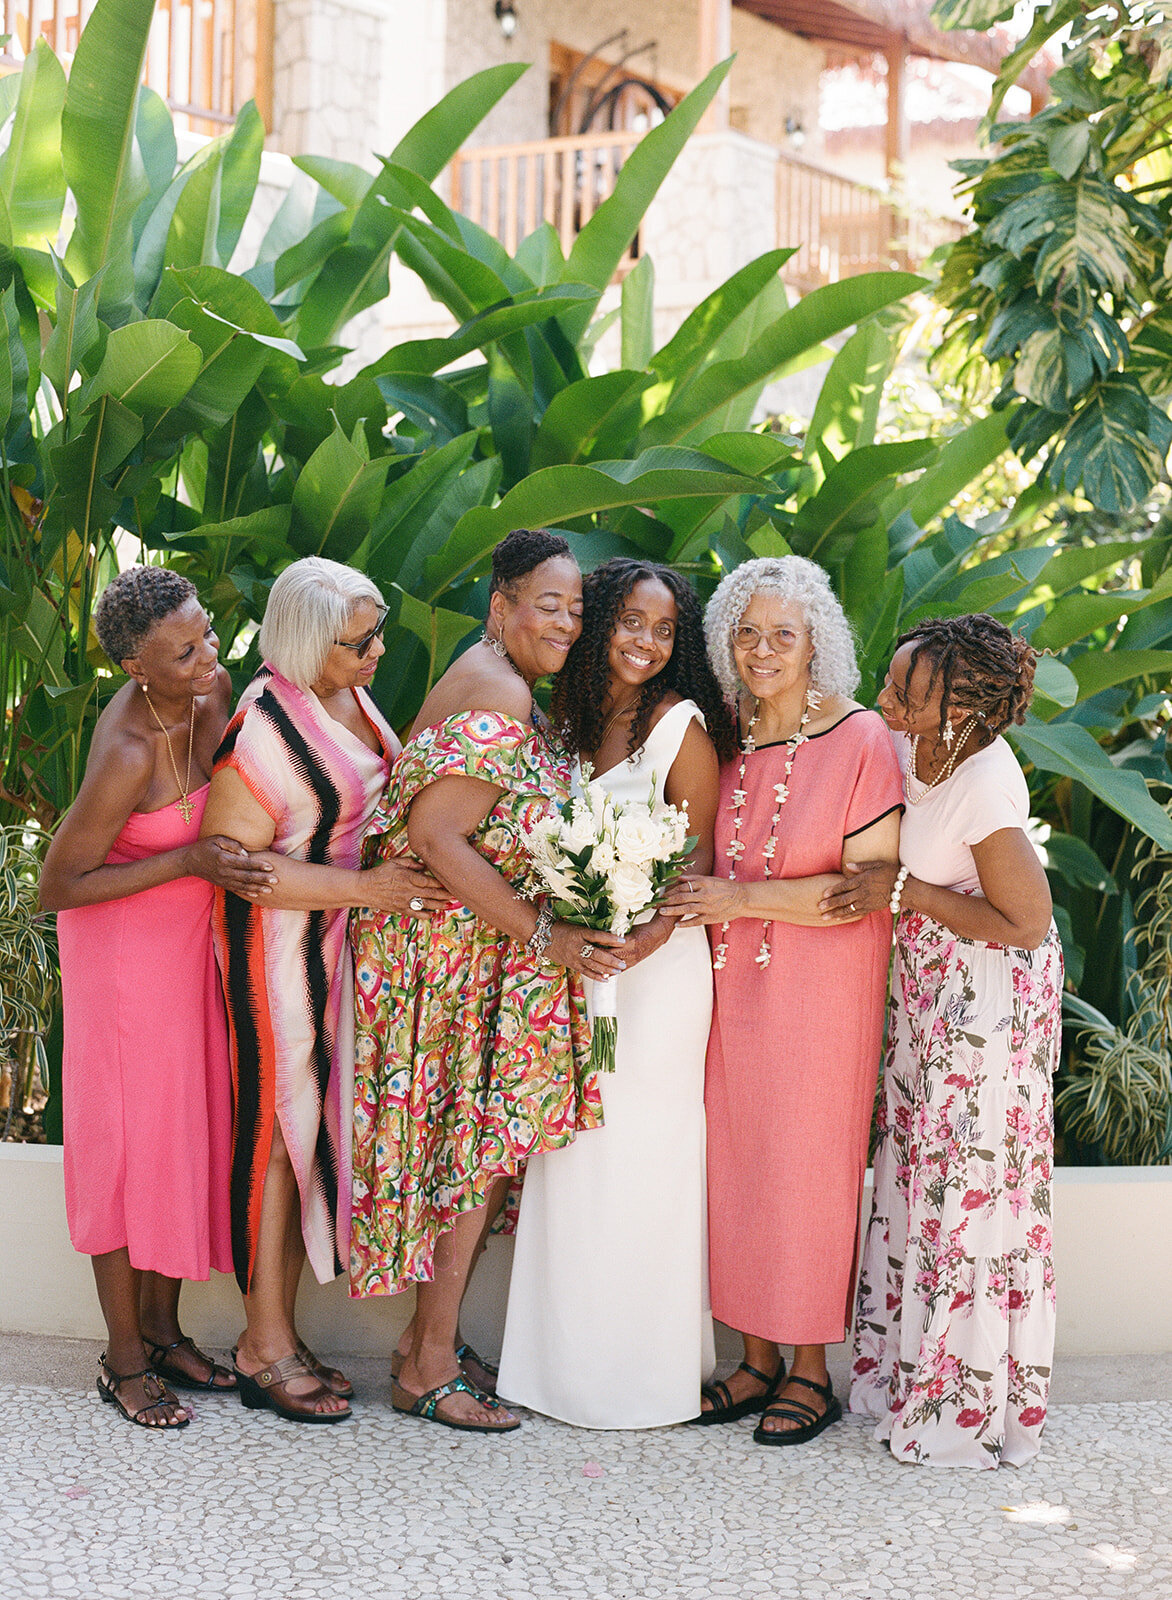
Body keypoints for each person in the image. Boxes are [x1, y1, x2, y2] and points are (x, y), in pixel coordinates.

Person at [350, 529, 627, 1434]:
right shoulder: (501, 691)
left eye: (575, 608)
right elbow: (436, 837)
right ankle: (427, 1365)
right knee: (470, 1156)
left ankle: (427, 1343)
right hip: (448, 957)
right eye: (547, 604)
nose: (567, 621)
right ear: (499, 605)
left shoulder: (503, 681)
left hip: (471, 951)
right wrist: (548, 935)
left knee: (475, 1153)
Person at [660, 555, 901, 1445]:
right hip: (724, 985)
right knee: (736, 1162)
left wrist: (739, 900)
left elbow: (864, 886)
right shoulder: (721, 736)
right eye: (747, 634)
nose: (763, 651)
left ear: (816, 642)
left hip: (822, 988)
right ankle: (755, 1360)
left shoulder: (859, 736)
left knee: (806, 1169)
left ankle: (809, 1371)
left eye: (783, 635)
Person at [201, 556, 448, 1424]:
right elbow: (236, 867)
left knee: (310, 1139)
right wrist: (370, 890)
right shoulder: (261, 730)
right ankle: (261, 1345)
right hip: (277, 953)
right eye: (360, 641)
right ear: (309, 645)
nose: (378, 651)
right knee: (276, 1137)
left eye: (378, 632)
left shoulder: (348, 696)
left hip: (336, 944)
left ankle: (282, 1333)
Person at [496, 558, 737, 1428]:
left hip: (656, 976)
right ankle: (558, 1370)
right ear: (599, 622)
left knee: (642, 1157)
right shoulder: (565, 721)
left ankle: (643, 1377)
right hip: (579, 969)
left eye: (664, 629)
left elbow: (696, 863)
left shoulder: (680, 726)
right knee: (573, 1156)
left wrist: (639, 944)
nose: (646, 641)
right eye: (631, 621)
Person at [824, 615, 1062, 1469]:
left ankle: (961, 1406)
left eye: (906, 694)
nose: (885, 700)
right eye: (891, 682)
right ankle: (906, 1375)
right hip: (932, 988)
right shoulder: (910, 742)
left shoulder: (985, 783)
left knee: (969, 1185)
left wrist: (906, 893)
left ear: (958, 707)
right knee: (920, 1172)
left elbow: (1026, 921)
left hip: (989, 998)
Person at [40, 566, 275, 1429]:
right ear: (137, 667)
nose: (208, 656)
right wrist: (186, 860)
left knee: (178, 1133)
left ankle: (166, 1331)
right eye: (183, 652)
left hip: (184, 950)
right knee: (123, 1149)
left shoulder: (213, 693)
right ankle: (124, 1358)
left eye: (206, 632)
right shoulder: (128, 752)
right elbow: (58, 884)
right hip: (119, 961)